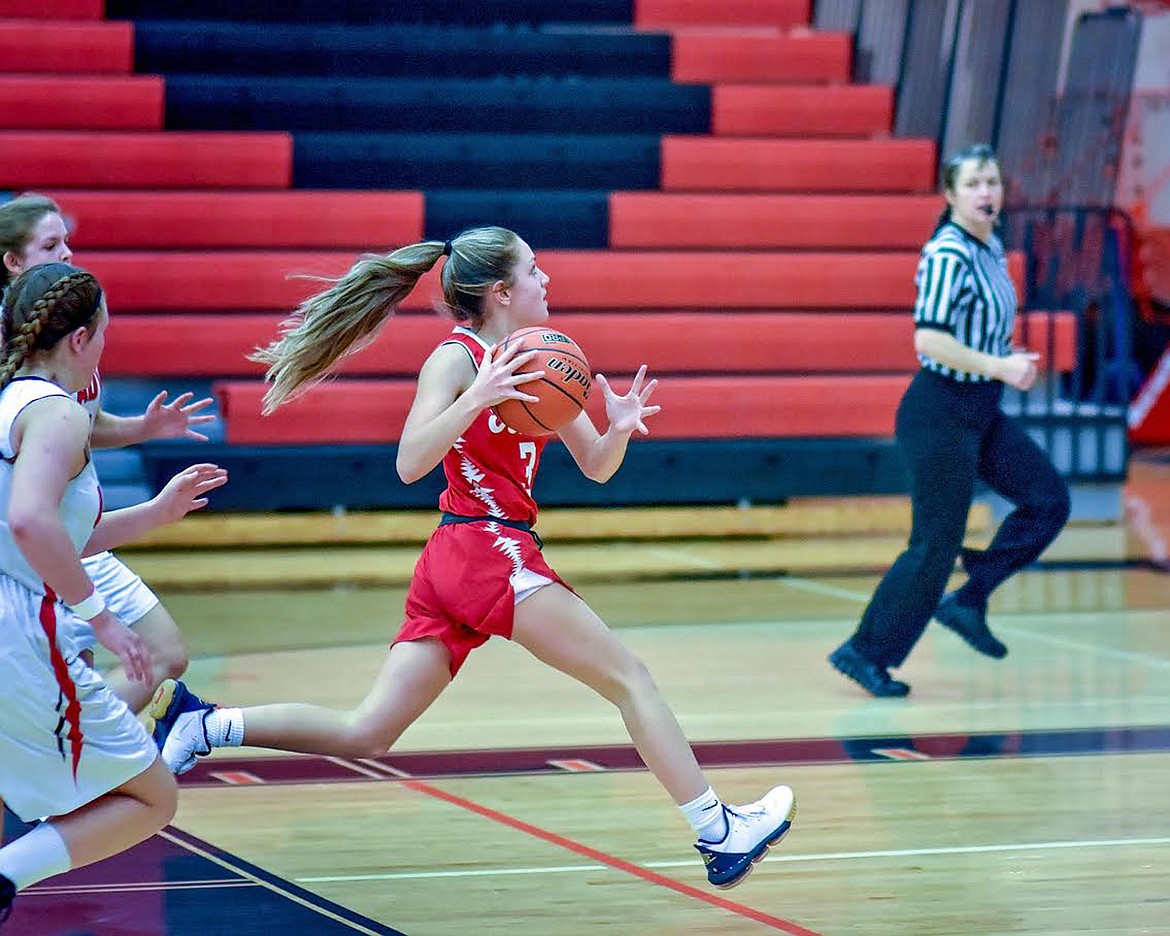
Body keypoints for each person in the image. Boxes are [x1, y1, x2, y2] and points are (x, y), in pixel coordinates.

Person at [149, 226, 796, 889]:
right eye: (535, 271)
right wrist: (477, 399)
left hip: (464, 558)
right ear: (502, 291)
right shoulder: (455, 360)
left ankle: (204, 725)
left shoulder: (543, 358)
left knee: (367, 732)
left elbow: (597, 466)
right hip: (484, 546)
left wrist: (619, 427)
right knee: (630, 679)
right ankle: (718, 832)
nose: (548, 281)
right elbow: (408, 463)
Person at [0, 263, 227, 925]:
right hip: (18, 627)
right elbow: (31, 523)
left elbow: (55, 533)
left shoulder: (11, 401)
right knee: (152, 795)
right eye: (102, 333)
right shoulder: (57, 414)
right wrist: (101, 618)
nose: (104, 347)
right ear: (78, 339)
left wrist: (156, 512)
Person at [828, 144, 1071, 698]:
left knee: (1048, 501)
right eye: (974, 184)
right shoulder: (947, 253)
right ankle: (864, 652)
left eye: (993, 181)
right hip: (939, 411)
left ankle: (968, 599)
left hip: (980, 408)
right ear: (951, 195)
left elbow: (975, 330)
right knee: (935, 545)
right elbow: (929, 339)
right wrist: (1000, 365)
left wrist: (1005, 362)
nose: (987, 192)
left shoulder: (991, 246)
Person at [1, 193, 216, 715]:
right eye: (51, 244)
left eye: (67, 242)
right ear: (12, 261)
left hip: (69, 532)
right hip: (26, 552)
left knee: (163, 652)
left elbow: (82, 426)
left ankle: (79, 752)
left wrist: (144, 427)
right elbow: (30, 506)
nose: (69, 254)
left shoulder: (67, 342)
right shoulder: (29, 360)